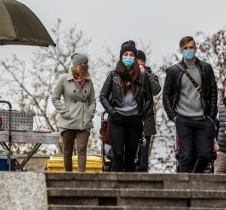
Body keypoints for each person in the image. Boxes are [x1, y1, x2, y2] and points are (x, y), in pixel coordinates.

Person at [162, 35, 218, 173]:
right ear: (181, 50)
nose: (189, 50)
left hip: (203, 119)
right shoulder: (173, 71)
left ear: (196, 48)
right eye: (185, 48)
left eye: (191, 47)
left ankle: (194, 178)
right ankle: (185, 188)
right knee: (186, 156)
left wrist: (211, 116)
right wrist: (173, 116)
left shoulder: (206, 68)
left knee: (206, 155)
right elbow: (166, 95)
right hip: (183, 119)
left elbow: (213, 92)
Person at [99, 40, 152, 172]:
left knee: (130, 157)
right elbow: (103, 96)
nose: (128, 57)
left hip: (134, 121)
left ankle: (130, 189)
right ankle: (114, 188)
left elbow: (149, 99)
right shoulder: (113, 75)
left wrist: (141, 114)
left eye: (131, 54)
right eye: (125, 54)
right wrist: (112, 112)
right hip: (117, 120)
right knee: (117, 155)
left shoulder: (142, 76)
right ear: (121, 57)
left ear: (135, 58)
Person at [51, 53, 96, 172]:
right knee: (67, 151)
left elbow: (92, 101)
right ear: (77, 65)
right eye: (85, 64)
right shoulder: (64, 79)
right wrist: (66, 113)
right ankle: (68, 176)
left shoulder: (88, 81)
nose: (87, 66)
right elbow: (55, 98)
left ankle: (82, 177)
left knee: (82, 148)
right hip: (68, 120)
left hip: (83, 120)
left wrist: (89, 114)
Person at [136, 50, 161, 172]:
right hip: (129, 119)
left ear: (143, 63)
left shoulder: (151, 75)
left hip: (147, 121)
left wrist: (144, 74)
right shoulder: (125, 75)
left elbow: (156, 90)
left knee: (143, 161)